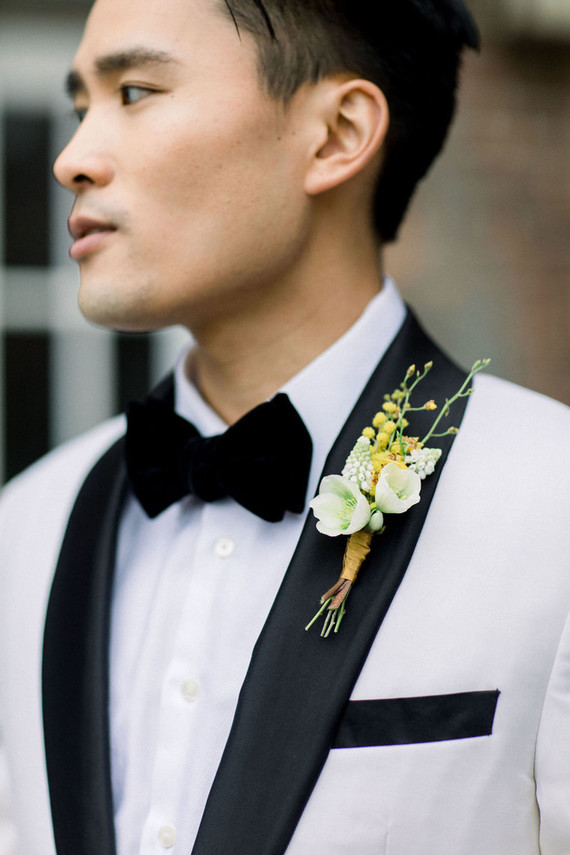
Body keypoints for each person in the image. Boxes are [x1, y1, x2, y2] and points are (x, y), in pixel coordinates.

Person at [0, 0, 569, 853]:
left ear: (338, 134)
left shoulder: (551, 507)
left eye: (136, 92)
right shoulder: (26, 528)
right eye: (82, 106)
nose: (71, 157)